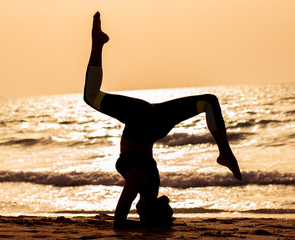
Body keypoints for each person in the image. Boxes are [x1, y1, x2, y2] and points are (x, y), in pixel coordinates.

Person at [84, 12, 242, 228]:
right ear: (145, 211)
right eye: (140, 215)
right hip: (143, 119)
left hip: (154, 122)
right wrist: (145, 226)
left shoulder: (149, 187)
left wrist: (147, 224)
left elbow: (124, 221)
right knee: (91, 95)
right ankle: (97, 43)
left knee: (208, 102)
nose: (137, 212)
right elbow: (119, 223)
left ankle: (225, 151)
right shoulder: (139, 181)